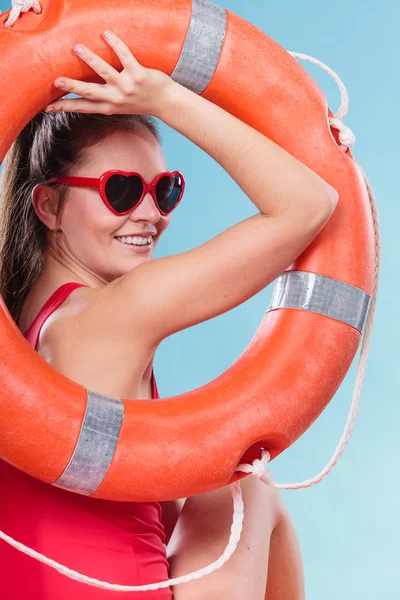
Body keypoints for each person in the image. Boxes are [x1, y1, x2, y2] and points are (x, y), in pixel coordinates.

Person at [0, 29, 338, 600]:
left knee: (201, 481)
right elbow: (311, 203)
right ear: (48, 205)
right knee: (240, 487)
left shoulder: (24, 323)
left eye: (168, 189)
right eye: (123, 190)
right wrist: (167, 99)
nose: (151, 214)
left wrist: (29, 32)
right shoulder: (116, 312)